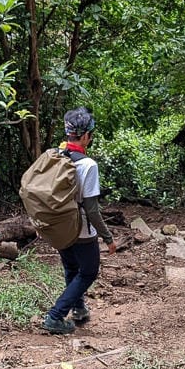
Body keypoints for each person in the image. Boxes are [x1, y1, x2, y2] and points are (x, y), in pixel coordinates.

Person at [40, 107, 117, 335]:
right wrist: (108, 237)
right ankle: (55, 316)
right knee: (89, 271)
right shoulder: (88, 165)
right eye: (90, 135)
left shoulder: (54, 155)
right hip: (82, 229)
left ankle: (79, 309)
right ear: (85, 136)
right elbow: (92, 210)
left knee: (71, 267)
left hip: (60, 226)